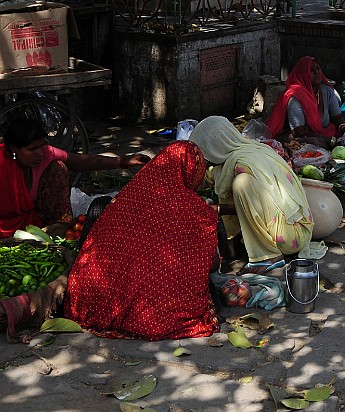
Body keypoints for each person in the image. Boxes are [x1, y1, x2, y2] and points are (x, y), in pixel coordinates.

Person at [64, 141, 219, 340]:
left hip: (91, 302)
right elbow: (212, 265)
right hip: (152, 316)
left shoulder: (127, 197)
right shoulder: (195, 211)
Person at [190, 116, 314, 271]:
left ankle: (269, 256)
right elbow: (206, 178)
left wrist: (219, 209)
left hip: (291, 235)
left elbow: (252, 204)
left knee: (242, 184)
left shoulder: (242, 164)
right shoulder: (245, 151)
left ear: (215, 147)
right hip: (291, 228)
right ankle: (252, 247)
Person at [0, 117, 148, 238]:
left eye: (41, 146)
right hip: (3, 226)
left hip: (33, 222)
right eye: (32, 149)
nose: (39, 153)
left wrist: (124, 162)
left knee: (58, 168)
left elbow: (81, 162)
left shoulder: (45, 153)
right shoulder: (2, 164)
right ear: (13, 148)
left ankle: (57, 227)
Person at [266, 57, 345, 145]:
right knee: (316, 143)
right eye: (311, 70)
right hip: (304, 136)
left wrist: (344, 129)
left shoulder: (327, 90)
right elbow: (299, 131)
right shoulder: (296, 96)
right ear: (303, 74)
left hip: (324, 132)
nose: (316, 72)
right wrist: (328, 140)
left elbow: (337, 117)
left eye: (318, 68)